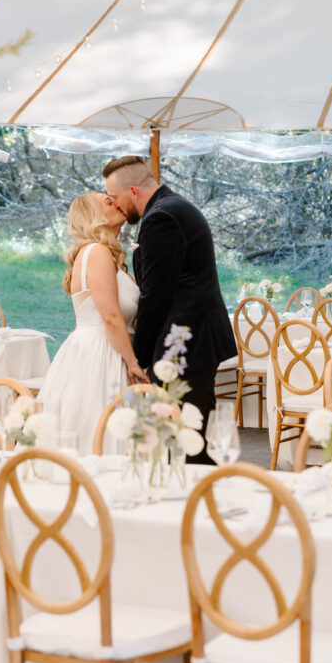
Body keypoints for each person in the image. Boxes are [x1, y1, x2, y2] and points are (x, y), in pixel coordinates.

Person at [103, 156, 236, 463]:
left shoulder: (160, 218)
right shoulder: (173, 207)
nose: (117, 205)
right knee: (190, 435)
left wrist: (143, 357)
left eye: (116, 198)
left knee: (189, 444)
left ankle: (198, 503)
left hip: (185, 345)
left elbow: (155, 298)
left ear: (133, 192)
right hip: (195, 339)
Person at [37, 191, 148, 454]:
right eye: (109, 202)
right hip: (102, 354)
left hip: (109, 348)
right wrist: (132, 363)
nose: (117, 203)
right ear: (94, 216)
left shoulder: (111, 258)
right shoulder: (96, 252)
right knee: (98, 433)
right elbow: (110, 317)